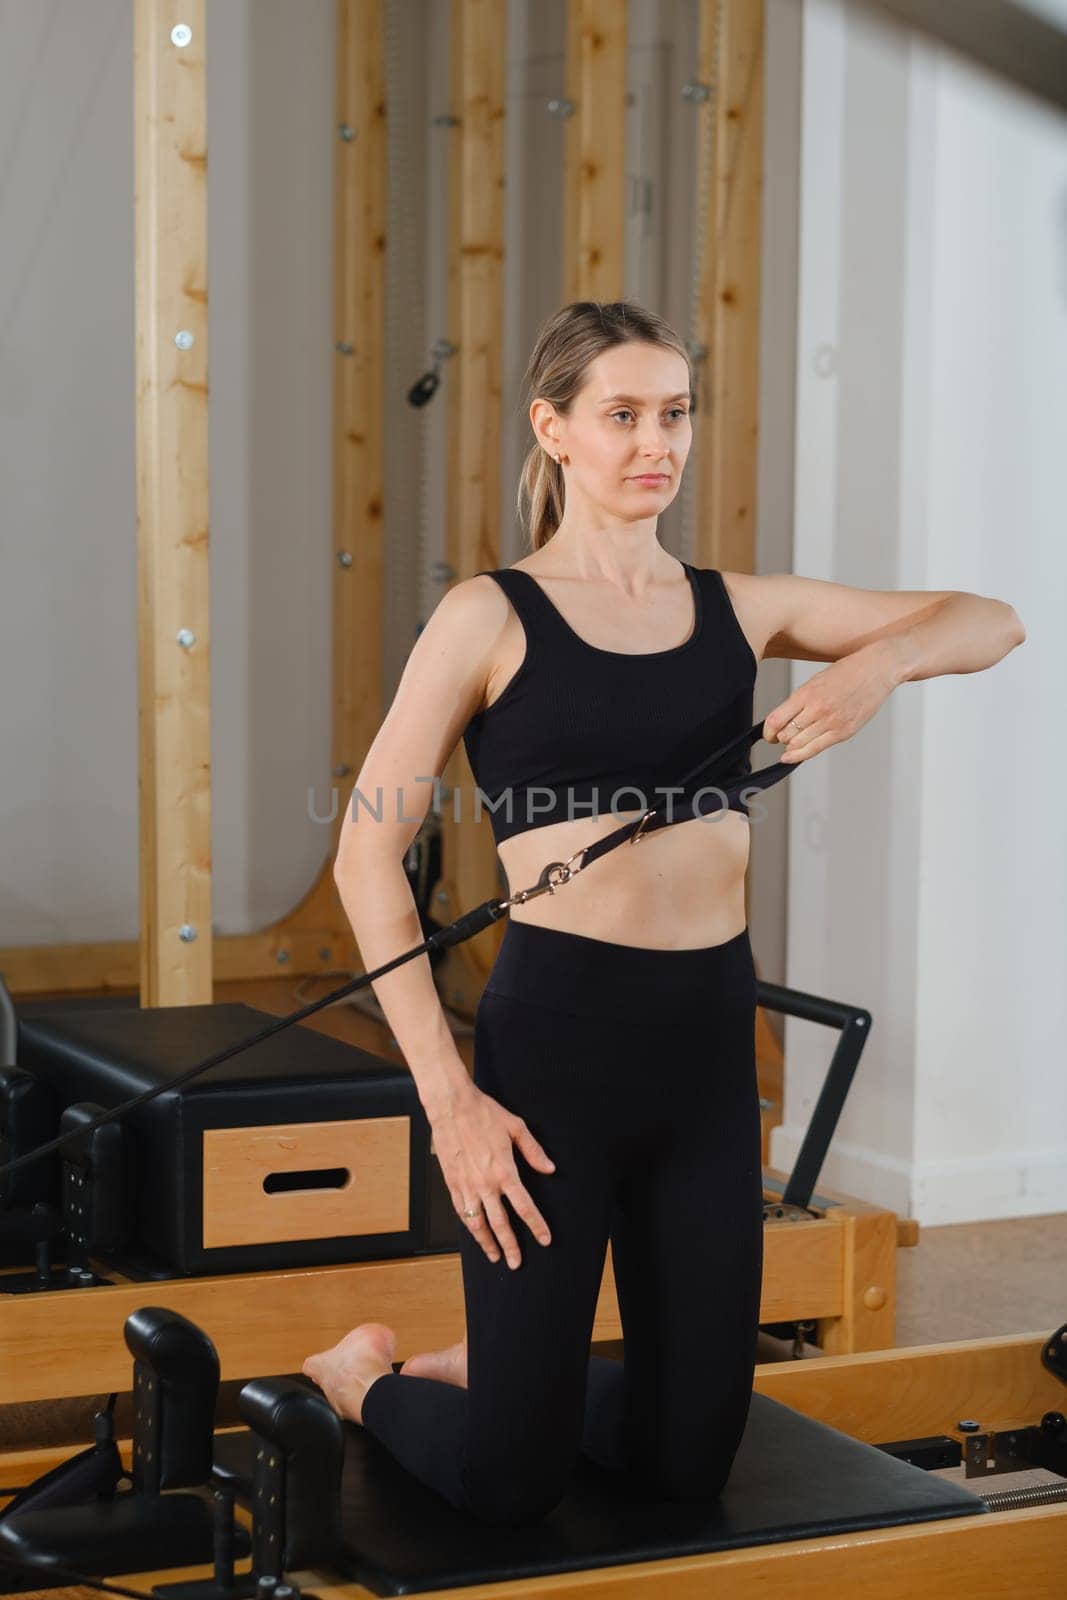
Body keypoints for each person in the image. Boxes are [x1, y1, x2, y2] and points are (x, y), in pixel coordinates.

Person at [302, 300, 1026, 1526]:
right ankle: (362, 1376)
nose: (656, 442)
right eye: (623, 415)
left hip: (702, 1047)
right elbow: (366, 853)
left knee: (686, 1464)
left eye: (674, 413)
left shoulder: (737, 606)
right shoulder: (488, 613)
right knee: (508, 1484)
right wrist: (450, 1100)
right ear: (555, 428)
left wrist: (873, 664)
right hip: (551, 1057)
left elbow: (989, 619)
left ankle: (507, 1372)